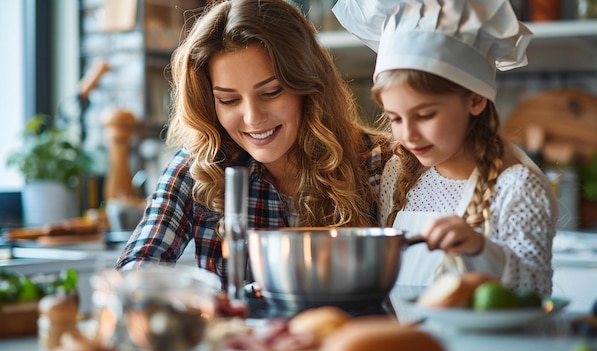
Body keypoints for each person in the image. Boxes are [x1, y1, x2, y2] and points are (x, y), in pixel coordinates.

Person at [115, 0, 391, 288]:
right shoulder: (198, 167)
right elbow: (137, 271)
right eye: (229, 100)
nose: (252, 117)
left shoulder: (377, 163)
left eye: (271, 92)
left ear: (309, 86)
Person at [334, 0, 558, 295]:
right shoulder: (398, 174)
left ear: (475, 100)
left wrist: (480, 248)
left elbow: (535, 290)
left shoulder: (516, 188)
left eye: (425, 115)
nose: (408, 134)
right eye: (395, 118)